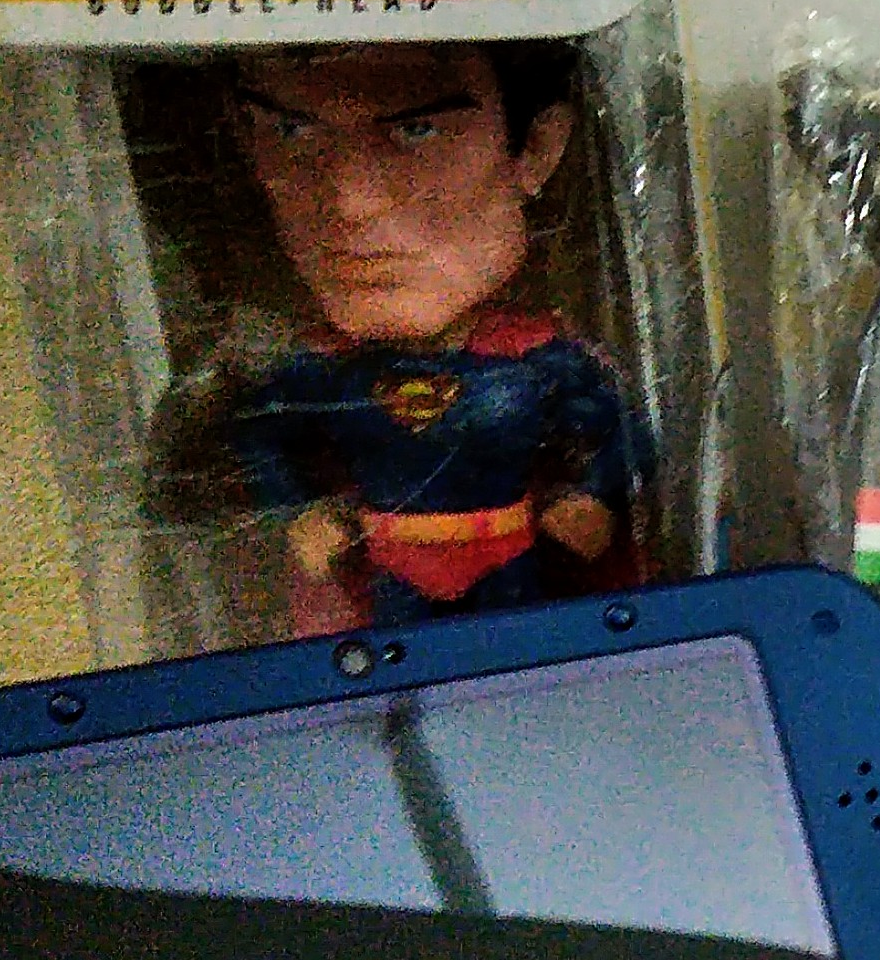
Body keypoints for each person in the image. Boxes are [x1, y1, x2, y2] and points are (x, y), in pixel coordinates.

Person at [221, 41, 648, 630]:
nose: (351, 203)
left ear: (537, 147)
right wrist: (296, 510)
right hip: (394, 562)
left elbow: (622, 429)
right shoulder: (326, 372)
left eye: (419, 130)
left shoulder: (535, 358)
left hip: (504, 553)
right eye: (291, 131)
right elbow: (258, 436)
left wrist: (595, 495)